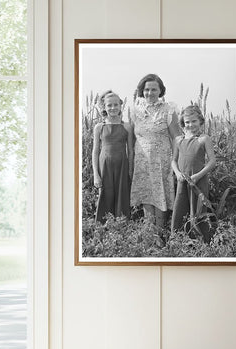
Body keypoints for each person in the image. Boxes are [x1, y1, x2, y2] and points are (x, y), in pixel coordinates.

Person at [130, 74, 181, 228]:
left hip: (162, 161)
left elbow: (176, 137)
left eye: (154, 89)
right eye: (146, 89)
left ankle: (160, 233)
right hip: (142, 161)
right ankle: (149, 234)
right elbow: (132, 138)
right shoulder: (134, 110)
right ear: (141, 91)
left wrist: (175, 160)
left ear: (160, 91)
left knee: (160, 195)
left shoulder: (168, 109)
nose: (150, 93)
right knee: (146, 194)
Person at [171, 105, 216, 242]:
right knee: (181, 206)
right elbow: (173, 160)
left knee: (198, 208)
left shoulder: (203, 139)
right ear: (183, 123)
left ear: (200, 121)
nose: (190, 125)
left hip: (198, 180)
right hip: (182, 181)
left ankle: (201, 239)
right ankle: (179, 238)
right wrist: (177, 173)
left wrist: (198, 176)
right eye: (187, 122)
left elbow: (212, 162)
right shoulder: (178, 140)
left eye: (194, 121)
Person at [92, 90, 134, 222]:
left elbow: (131, 151)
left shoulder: (127, 127)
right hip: (105, 167)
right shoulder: (99, 127)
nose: (113, 108)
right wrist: (96, 175)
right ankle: (104, 229)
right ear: (104, 107)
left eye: (116, 104)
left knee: (122, 197)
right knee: (105, 196)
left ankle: (121, 228)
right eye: (109, 105)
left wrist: (131, 171)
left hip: (122, 166)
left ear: (121, 105)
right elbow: (95, 151)